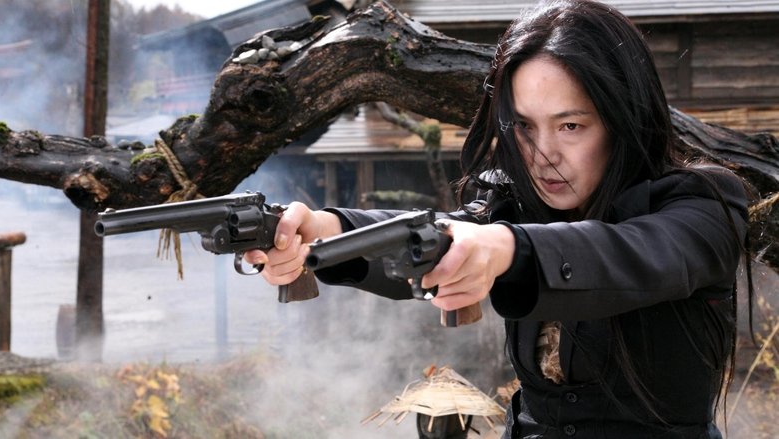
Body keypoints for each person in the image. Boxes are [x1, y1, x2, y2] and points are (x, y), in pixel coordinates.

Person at [245, 0, 750, 437]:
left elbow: (627, 254)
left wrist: (506, 247)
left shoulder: (703, 207)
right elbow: (433, 236)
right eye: (524, 127)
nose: (543, 155)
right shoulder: (513, 202)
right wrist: (326, 231)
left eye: (571, 126)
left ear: (623, 119)